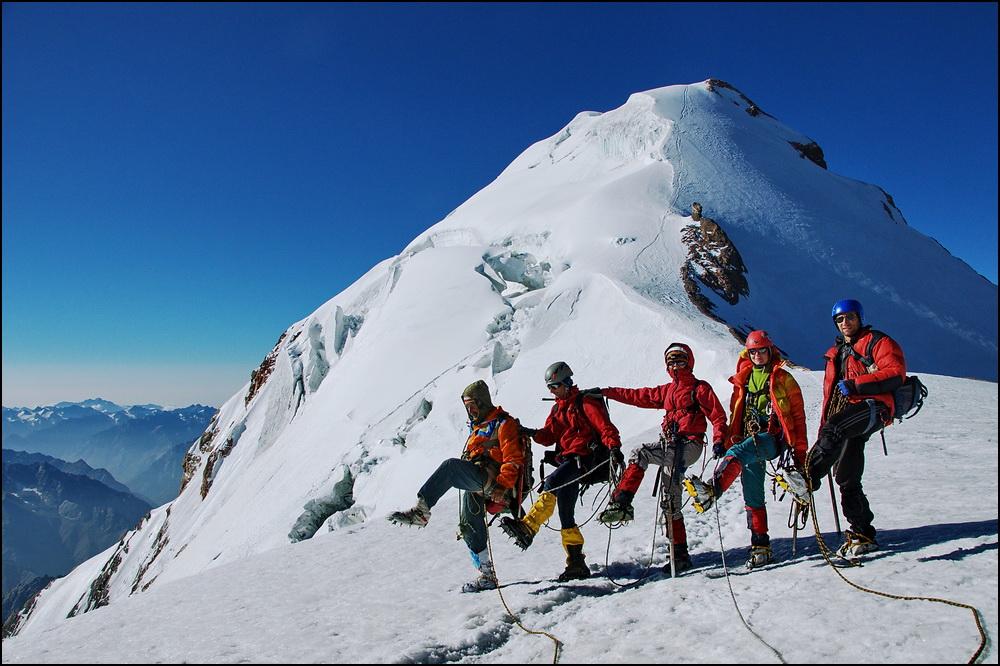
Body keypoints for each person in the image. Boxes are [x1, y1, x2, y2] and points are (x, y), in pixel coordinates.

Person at [597, 343, 728, 573]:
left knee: (640, 453)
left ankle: (622, 501)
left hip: (689, 445)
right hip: (673, 449)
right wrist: (607, 392)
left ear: (689, 363)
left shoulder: (699, 388)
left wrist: (719, 440)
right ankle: (680, 556)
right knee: (670, 503)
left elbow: (718, 416)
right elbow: (638, 396)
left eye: (680, 361)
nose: (676, 365)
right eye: (672, 362)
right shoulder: (668, 391)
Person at [683, 331, 808, 569]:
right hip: (748, 438)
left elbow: (798, 420)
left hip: (772, 438)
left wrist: (800, 459)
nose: (758, 355)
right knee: (752, 495)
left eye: (762, 351)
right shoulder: (744, 379)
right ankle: (760, 545)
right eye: (753, 352)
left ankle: (712, 491)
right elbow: (736, 414)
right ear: (748, 354)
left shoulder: (783, 379)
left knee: (739, 453)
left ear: (770, 352)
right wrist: (727, 439)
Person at [388, 380, 527, 593]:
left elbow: (513, 458)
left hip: (498, 486)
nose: (470, 411)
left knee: (451, 467)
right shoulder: (479, 427)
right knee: (468, 525)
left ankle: (421, 511)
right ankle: (487, 575)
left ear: (483, 403)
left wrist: (504, 483)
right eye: (467, 408)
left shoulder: (502, 423)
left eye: (473, 406)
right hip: (481, 483)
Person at [499, 362, 624, 582]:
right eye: (549, 387)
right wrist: (529, 432)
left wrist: (614, 447)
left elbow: (604, 427)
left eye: (555, 386)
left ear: (566, 382)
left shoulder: (584, 402)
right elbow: (549, 436)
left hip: (584, 459)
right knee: (566, 513)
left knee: (552, 483)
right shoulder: (557, 409)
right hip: (568, 461)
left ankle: (529, 527)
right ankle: (577, 563)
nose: (552, 390)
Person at [806, 299, 906, 558]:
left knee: (837, 427)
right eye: (840, 319)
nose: (845, 323)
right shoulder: (837, 352)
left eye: (850, 317)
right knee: (846, 477)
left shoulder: (878, 341)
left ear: (860, 317)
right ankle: (862, 532)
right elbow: (830, 396)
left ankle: (807, 479)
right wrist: (823, 432)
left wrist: (858, 384)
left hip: (875, 406)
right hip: (845, 414)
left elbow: (896, 372)